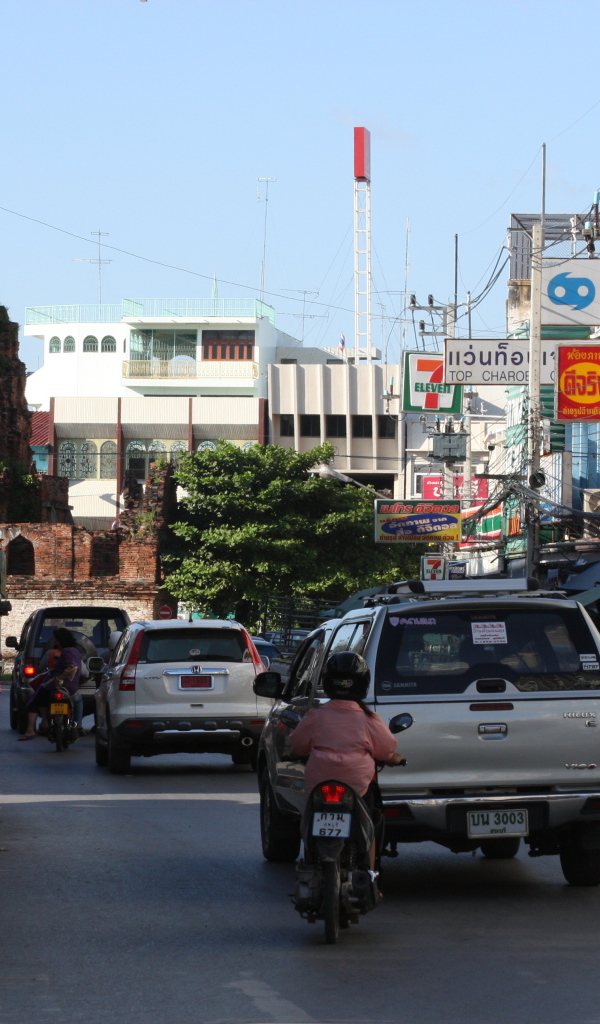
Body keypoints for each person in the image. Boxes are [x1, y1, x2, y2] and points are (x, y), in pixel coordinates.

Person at [290, 650, 404, 873]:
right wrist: (396, 759)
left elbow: (298, 746)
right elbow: (386, 751)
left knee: (308, 815)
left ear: (327, 681)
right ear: (363, 683)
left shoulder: (316, 715)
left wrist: (293, 754)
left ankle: (311, 861)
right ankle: (370, 873)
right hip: (358, 786)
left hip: (319, 783)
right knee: (371, 823)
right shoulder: (368, 719)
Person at [18, 628, 83, 741]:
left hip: (60, 685)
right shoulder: (76, 652)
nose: (56, 642)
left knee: (34, 701)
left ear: (60, 640)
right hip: (72, 687)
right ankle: (77, 724)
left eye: (57, 640)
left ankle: (31, 730)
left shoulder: (66, 652)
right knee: (78, 699)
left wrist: (59, 678)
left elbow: (72, 667)